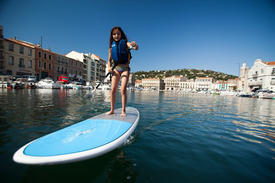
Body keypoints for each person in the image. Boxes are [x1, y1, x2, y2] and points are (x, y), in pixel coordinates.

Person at [106, 26, 138, 117]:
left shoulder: (125, 43)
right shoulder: (111, 48)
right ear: (112, 36)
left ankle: (123, 110)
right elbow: (109, 60)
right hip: (116, 69)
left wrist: (134, 45)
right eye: (114, 34)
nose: (116, 35)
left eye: (118, 34)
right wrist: (109, 67)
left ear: (121, 34)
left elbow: (135, 48)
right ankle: (112, 110)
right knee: (112, 90)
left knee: (123, 89)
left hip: (125, 69)